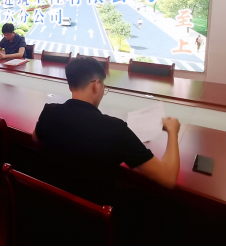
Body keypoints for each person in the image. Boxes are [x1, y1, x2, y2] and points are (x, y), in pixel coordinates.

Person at [32, 57, 180, 206]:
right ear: (97, 85)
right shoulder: (115, 129)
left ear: (70, 86)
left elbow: (35, 139)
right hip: (94, 215)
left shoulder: (49, 112)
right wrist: (173, 130)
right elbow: (168, 178)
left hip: (50, 206)